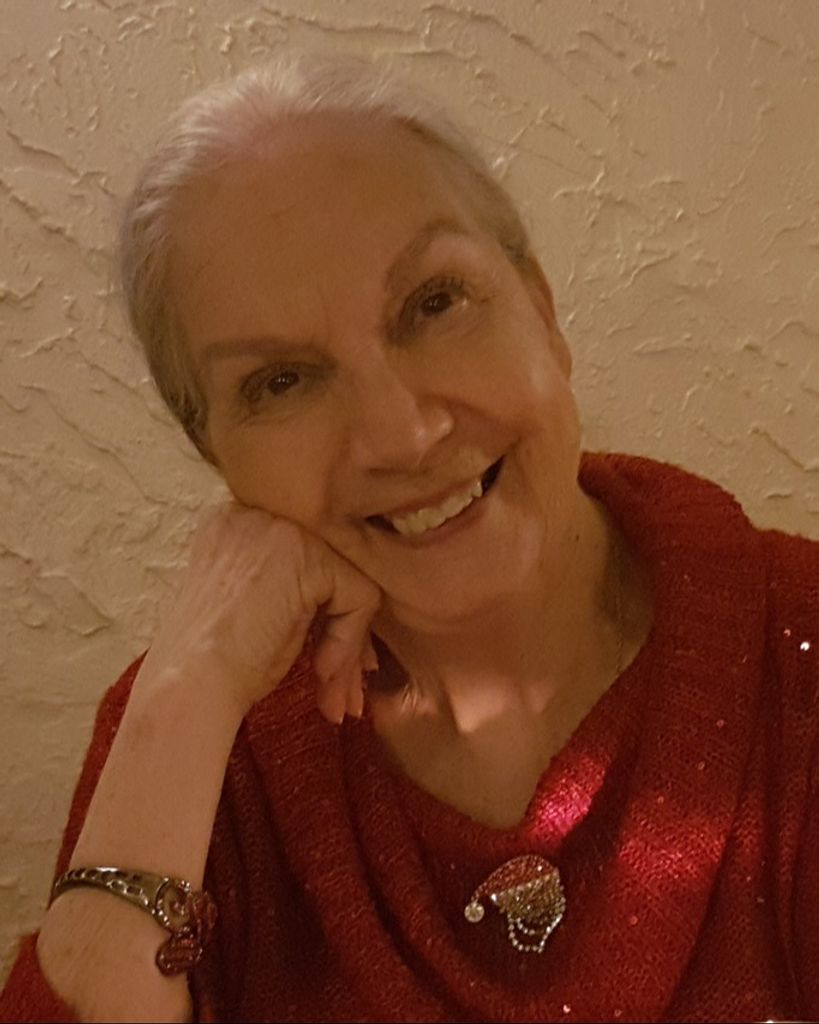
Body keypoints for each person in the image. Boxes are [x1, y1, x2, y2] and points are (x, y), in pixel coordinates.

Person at [1, 52, 817, 1024]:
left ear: (542, 310)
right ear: (216, 457)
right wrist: (181, 703)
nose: (402, 434)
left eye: (433, 304)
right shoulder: (195, 737)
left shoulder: (795, 645)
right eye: (281, 382)